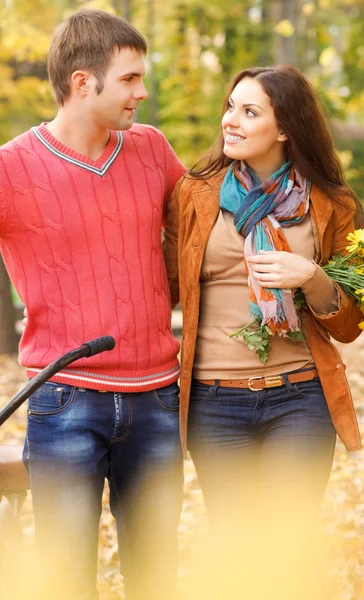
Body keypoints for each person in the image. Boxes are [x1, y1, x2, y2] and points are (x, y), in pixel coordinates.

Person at [0, 9, 184, 600]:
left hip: (156, 398)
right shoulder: (10, 168)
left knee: (157, 579)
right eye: (129, 78)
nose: (142, 91)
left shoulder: (152, 150)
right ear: (84, 82)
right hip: (64, 399)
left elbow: (204, 233)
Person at [164, 66, 364, 599]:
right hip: (213, 402)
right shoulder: (196, 193)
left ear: (285, 128)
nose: (230, 120)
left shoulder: (329, 204)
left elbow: (350, 323)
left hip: (300, 397)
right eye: (230, 107)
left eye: (249, 111)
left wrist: (312, 277)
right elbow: (159, 286)